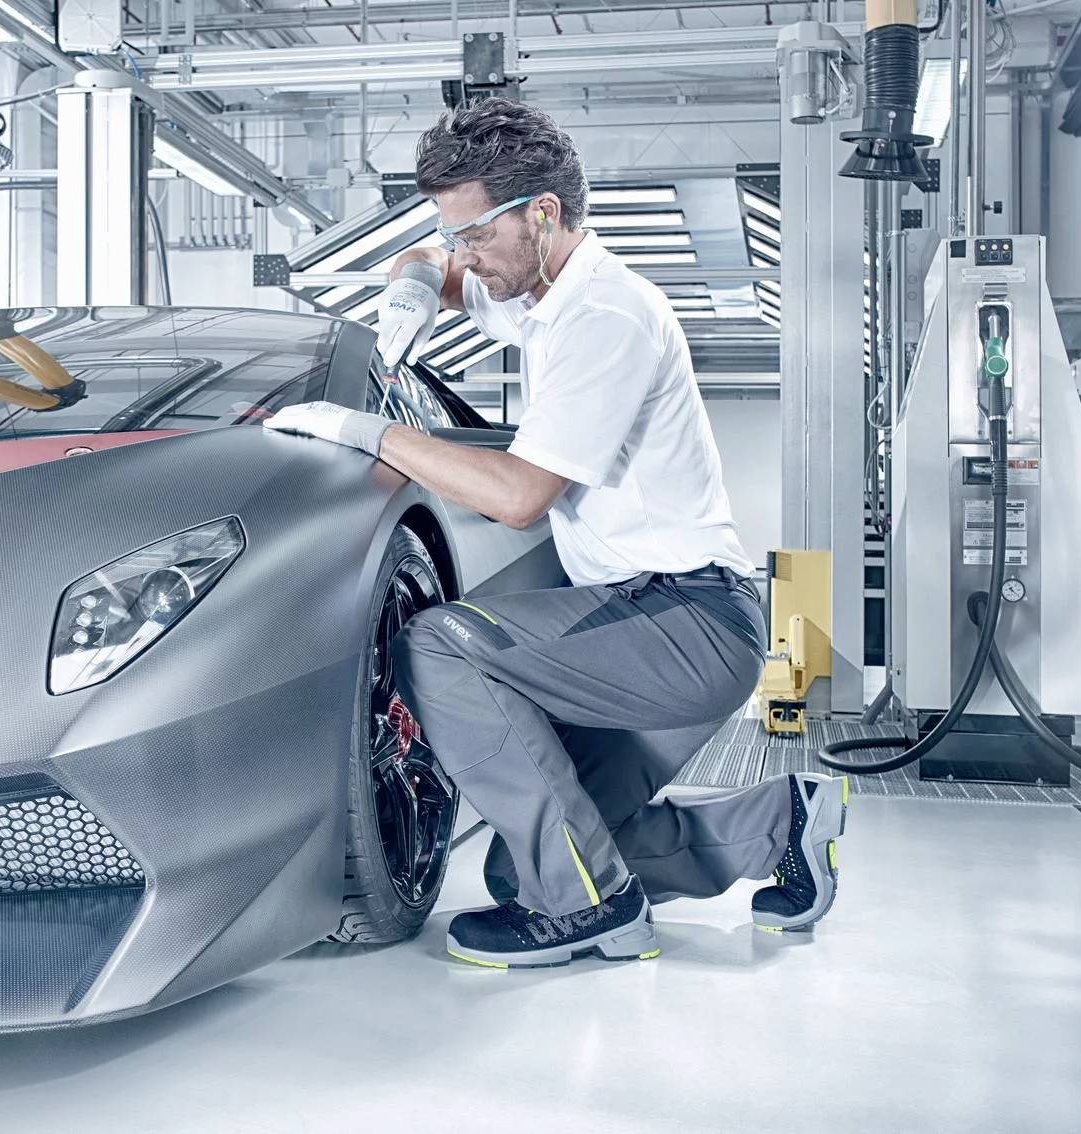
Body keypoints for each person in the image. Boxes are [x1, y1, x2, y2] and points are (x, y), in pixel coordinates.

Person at [263, 97, 848, 969]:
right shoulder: (537, 293)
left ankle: (595, 916)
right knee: (524, 862)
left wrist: (370, 433)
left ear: (543, 214)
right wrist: (419, 282)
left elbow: (521, 495)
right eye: (458, 236)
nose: (468, 258)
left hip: (681, 623)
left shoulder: (603, 316)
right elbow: (435, 259)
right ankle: (778, 824)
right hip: (648, 622)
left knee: (445, 647)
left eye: (476, 236)